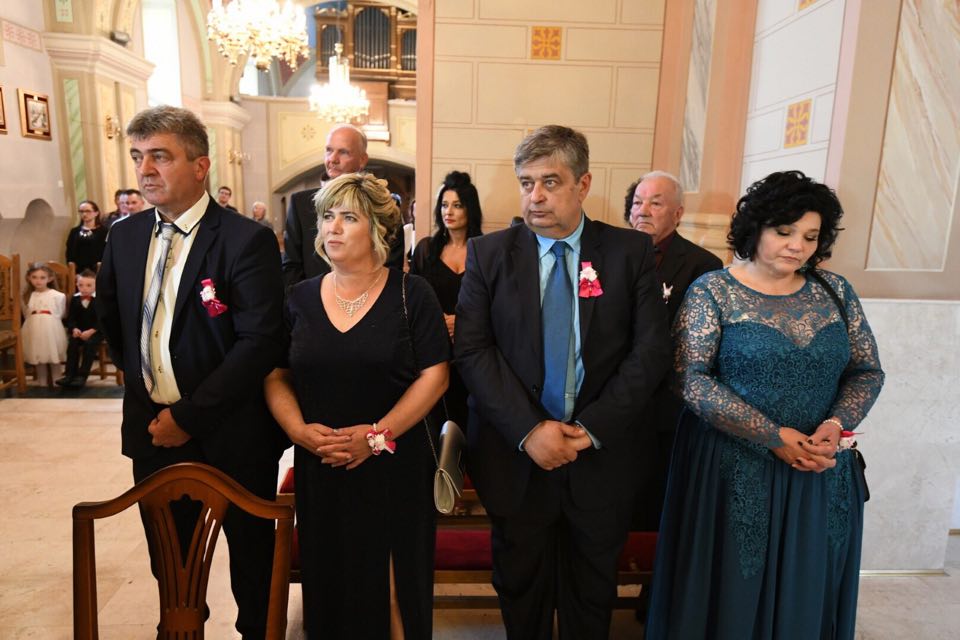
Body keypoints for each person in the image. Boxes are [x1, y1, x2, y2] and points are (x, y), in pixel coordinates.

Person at [645, 170, 885, 639]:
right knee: (735, 587)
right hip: (733, 466)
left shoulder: (835, 291)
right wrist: (772, 436)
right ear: (754, 229)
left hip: (818, 467)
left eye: (810, 236)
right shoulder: (713, 290)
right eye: (784, 231)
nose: (797, 246)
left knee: (809, 585)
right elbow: (689, 379)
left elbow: (867, 370)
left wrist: (835, 425)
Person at [454, 125, 672, 639]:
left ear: (583, 184)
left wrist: (589, 430)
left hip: (601, 455)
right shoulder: (489, 254)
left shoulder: (629, 253)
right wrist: (530, 430)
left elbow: (650, 352)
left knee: (591, 595)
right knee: (520, 588)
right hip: (515, 456)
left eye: (550, 182)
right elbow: (473, 350)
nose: (536, 196)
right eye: (526, 182)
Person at [96, 105, 287, 638]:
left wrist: (188, 416)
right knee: (173, 569)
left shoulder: (245, 240)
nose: (145, 169)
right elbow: (115, 322)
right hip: (154, 431)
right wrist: (153, 394)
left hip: (233, 434)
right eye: (138, 156)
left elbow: (259, 343)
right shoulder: (124, 236)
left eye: (160, 156)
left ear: (200, 166)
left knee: (252, 562)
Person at [265, 173, 450, 638]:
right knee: (330, 585)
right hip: (321, 464)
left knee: (390, 590)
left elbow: (435, 376)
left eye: (349, 217)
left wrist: (375, 436)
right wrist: (297, 430)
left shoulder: (412, 293)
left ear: (378, 230)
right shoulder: (300, 297)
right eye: (327, 216)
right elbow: (276, 374)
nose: (333, 227)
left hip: (393, 465)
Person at [624, 171, 723, 532]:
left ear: (678, 213)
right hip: (610, 400)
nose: (642, 210)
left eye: (655, 203)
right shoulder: (609, 254)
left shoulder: (702, 265)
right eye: (637, 202)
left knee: (654, 503)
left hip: (663, 404)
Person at [282, 124, 403, 287]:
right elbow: (291, 267)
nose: (332, 159)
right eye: (329, 150)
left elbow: (391, 268)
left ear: (362, 160)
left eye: (343, 152)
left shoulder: (383, 206)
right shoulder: (300, 203)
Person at [410, 171, 482, 428]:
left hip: (472, 345)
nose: (448, 211)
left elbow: (495, 303)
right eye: (444, 205)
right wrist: (437, 321)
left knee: (468, 418)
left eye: (457, 205)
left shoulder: (484, 250)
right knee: (434, 417)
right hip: (432, 344)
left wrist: (460, 322)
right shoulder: (426, 249)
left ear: (470, 209)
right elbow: (413, 299)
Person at [21, 263, 67, 386]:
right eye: (34, 277)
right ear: (29, 278)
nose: (38, 281)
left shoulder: (58, 296)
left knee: (53, 355)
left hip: (51, 328)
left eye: (42, 277)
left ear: (50, 278)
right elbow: (26, 314)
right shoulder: (27, 296)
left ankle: (57, 381)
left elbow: (60, 313)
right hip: (33, 328)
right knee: (38, 355)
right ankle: (42, 383)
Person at [55, 269, 102, 388]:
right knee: (73, 344)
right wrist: (74, 329)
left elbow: (102, 319)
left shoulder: (100, 300)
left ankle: (82, 375)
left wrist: (91, 331)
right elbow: (71, 318)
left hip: (96, 331)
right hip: (80, 331)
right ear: (77, 285)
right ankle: (70, 374)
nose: (84, 288)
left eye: (88, 285)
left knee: (89, 344)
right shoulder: (75, 299)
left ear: (96, 285)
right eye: (81, 285)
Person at [65, 200, 109, 273]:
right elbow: (69, 252)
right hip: (78, 271)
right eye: (81, 211)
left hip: (98, 270)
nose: (84, 214)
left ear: (96, 213)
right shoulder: (75, 231)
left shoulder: (104, 231)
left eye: (88, 211)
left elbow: (106, 251)